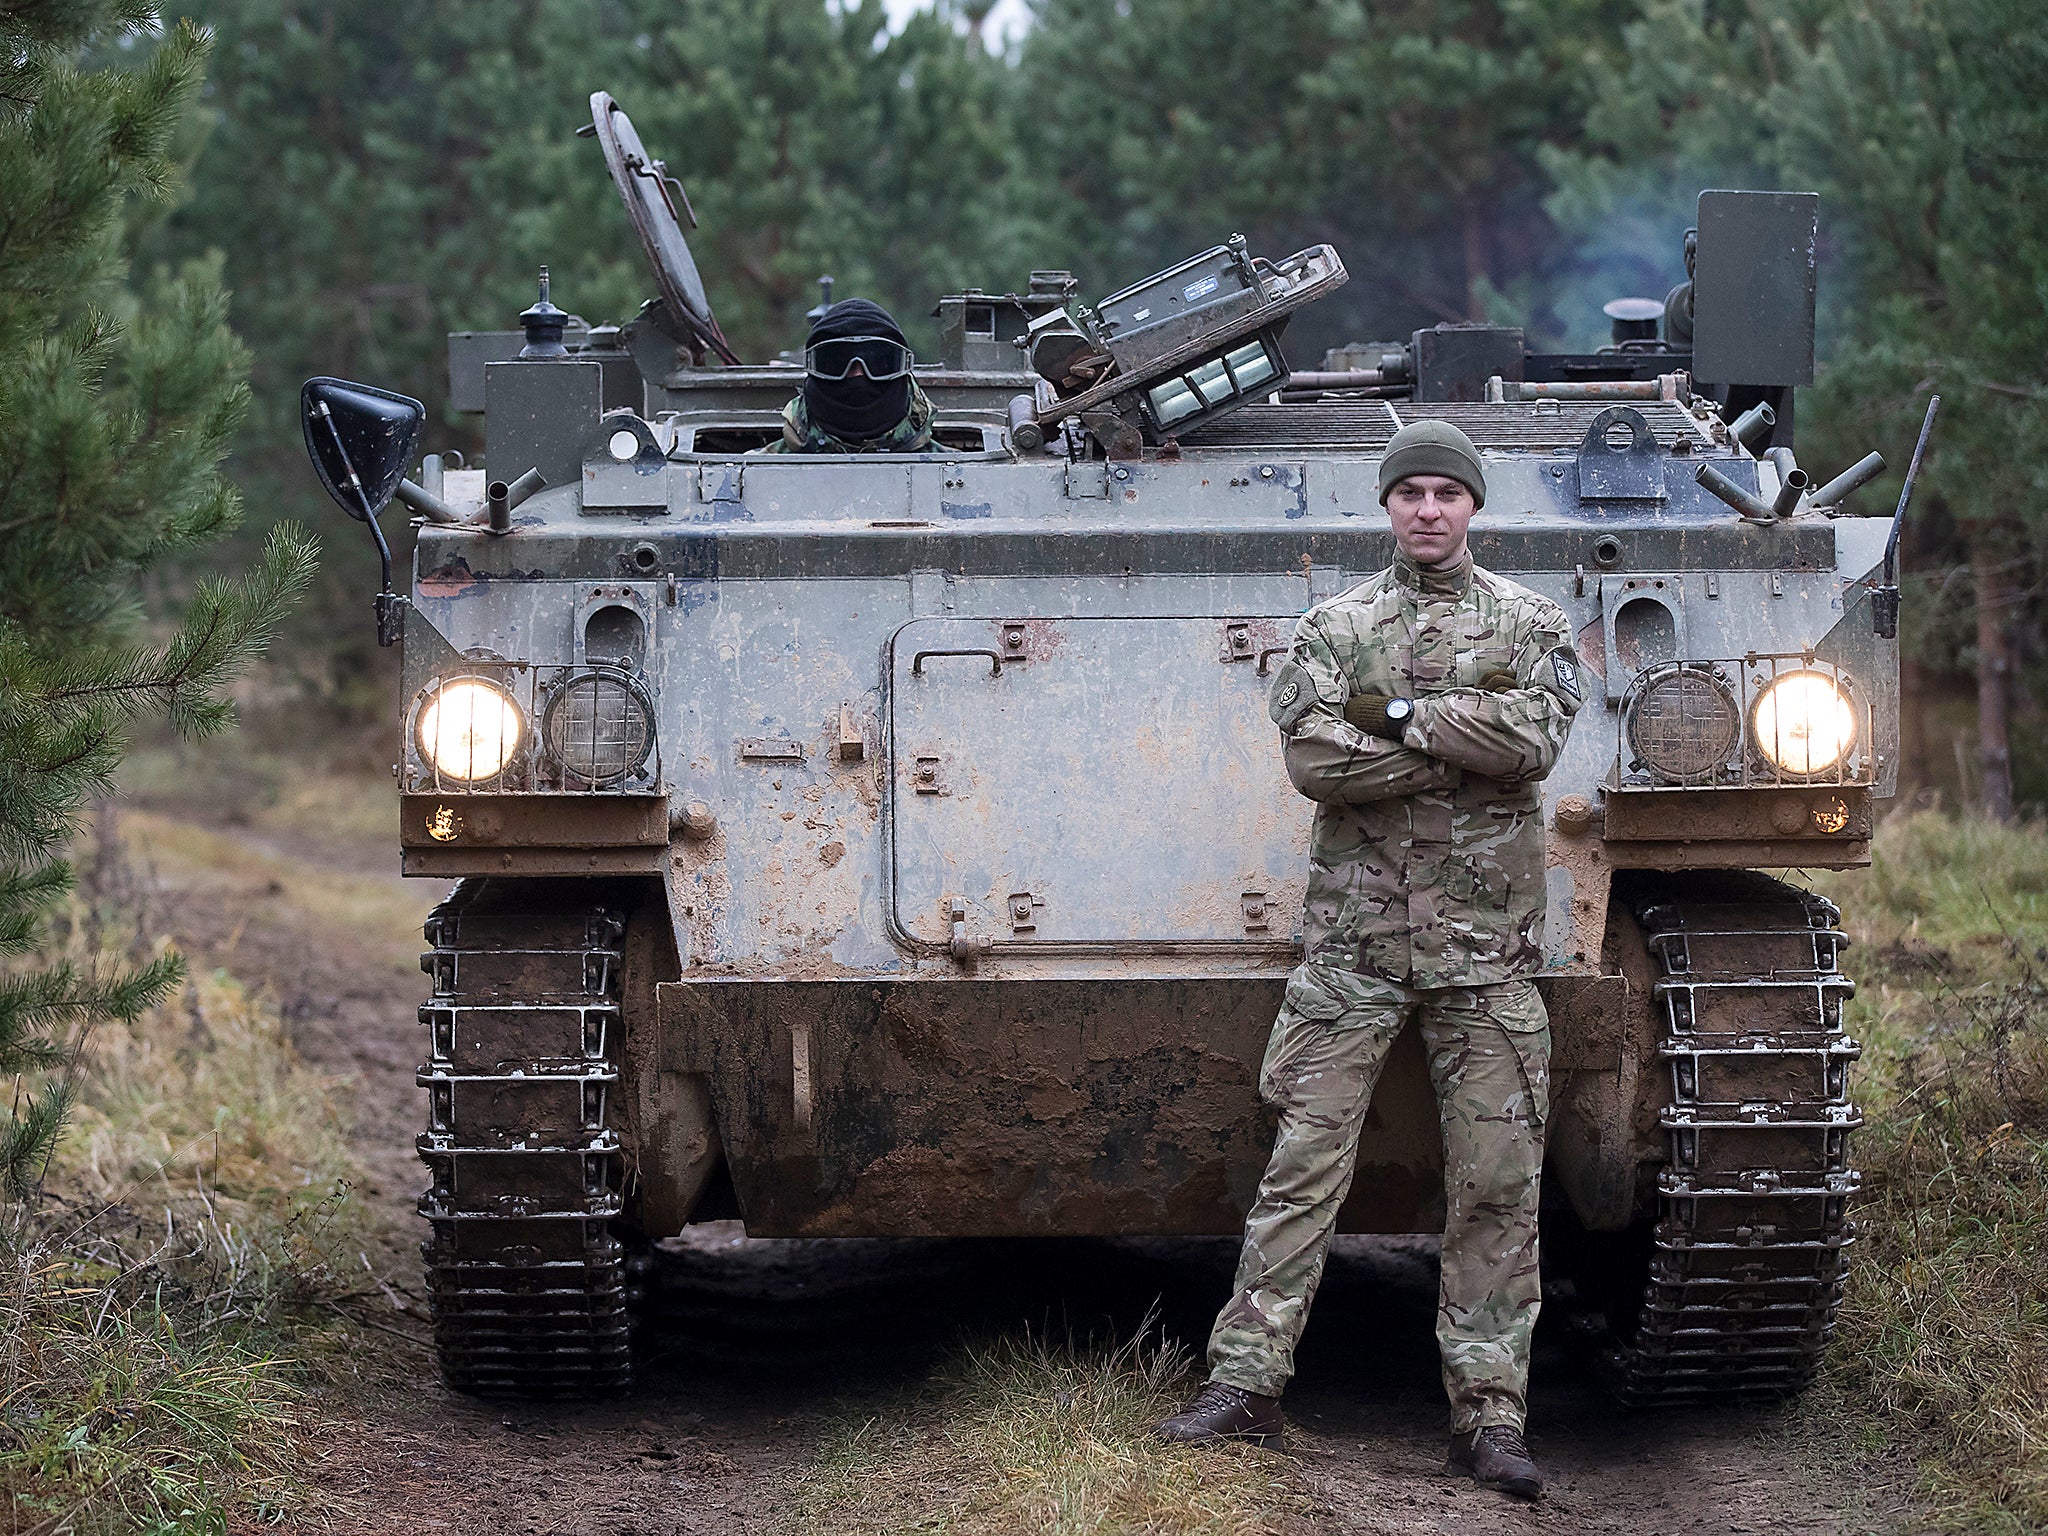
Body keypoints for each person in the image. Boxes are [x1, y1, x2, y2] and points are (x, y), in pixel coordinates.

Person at [1155, 419, 1583, 1501]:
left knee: (1495, 1187)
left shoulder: (1531, 621)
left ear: (1472, 505)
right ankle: (1244, 1383)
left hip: (1483, 958)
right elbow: (1311, 758)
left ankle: (1487, 1415)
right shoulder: (1333, 624)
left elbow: (1531, 742)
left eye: (1446, 492)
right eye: (1409, 493)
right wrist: (1454, 752)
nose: (1426, 510)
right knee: (1300, 1172)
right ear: (1386, 506)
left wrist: (1393, 719)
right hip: (1352, 954)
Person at [767, 297, 934, 453]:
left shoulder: (955, 468)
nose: (857, 375)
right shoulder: (754, 470)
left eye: (876, 363)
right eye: (838, 362)